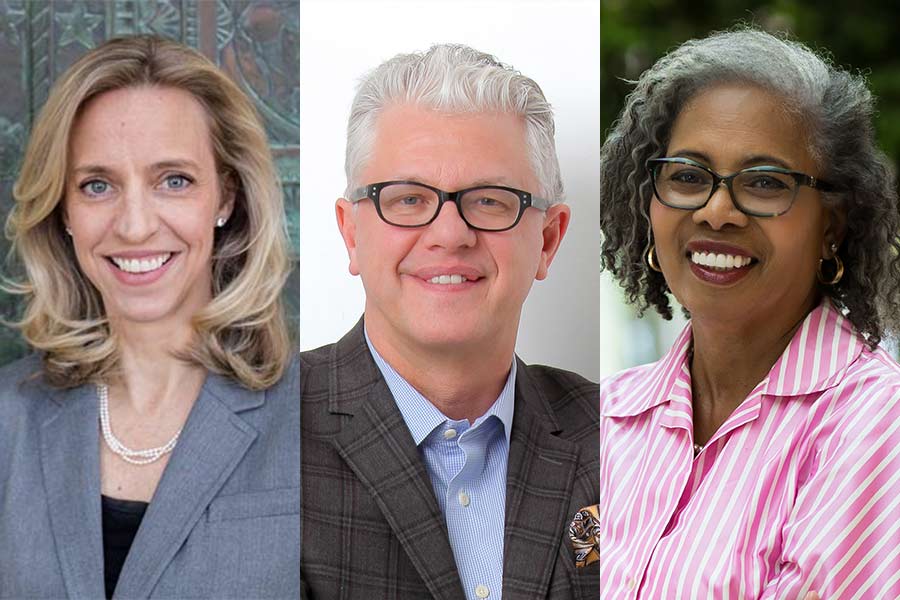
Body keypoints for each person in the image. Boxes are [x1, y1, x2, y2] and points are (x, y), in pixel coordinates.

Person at [597, 28, 900, 598]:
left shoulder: (877, 425)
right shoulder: (605, 418)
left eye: (764, 183)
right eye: (687, 176)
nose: (717, 211)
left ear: (831, 226)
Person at [0, 35, 299, 598]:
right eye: (97, 185)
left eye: (174, 181)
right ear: (63, 210)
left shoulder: (318, 416)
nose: (134, 226)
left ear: (226, 198)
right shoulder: (7, 419)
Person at [300, 44, 600, 599]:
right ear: (351, 234)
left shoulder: (620, 438)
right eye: (408, 199)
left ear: (548, 241)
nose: (449, 234)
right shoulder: (264, 432)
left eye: (489, 201)